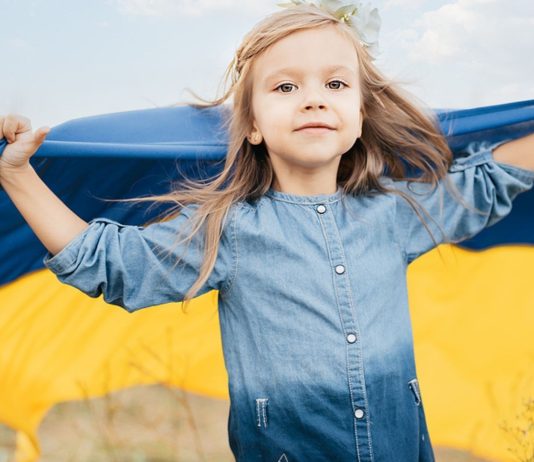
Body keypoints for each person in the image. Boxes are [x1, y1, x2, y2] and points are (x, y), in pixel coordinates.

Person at [1, 2, 533, 461]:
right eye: (285, 86)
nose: (313, 98)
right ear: (252, 124)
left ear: (359, 113)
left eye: (336, 83)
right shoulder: (228, 230)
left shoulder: (394, 214)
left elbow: (492, 179)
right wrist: (17, 175)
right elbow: (112, 264)